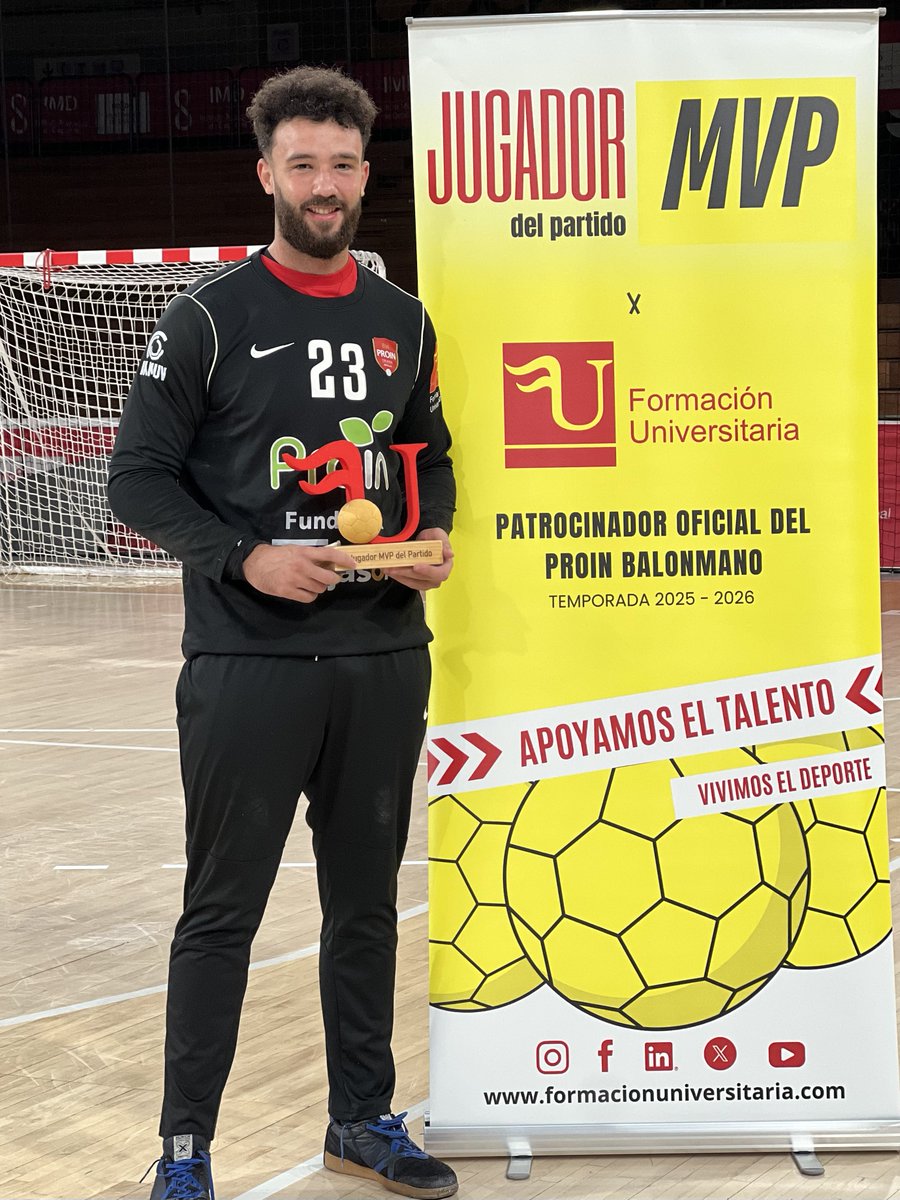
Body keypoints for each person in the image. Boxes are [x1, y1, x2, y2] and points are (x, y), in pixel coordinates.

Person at [108, 66, 458, 1200]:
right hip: (248, 666)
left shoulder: (403, 318)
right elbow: (137, 481)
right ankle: (185, 1152)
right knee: (222, 913)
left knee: (364, 909)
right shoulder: (206, 316)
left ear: (366, 174)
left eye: (342, 164)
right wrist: (247, 556)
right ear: (266, 173)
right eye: (301, 163)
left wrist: (431, 532)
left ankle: (362, 1116)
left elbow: (428, 455)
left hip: (381, 658)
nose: (324, 184)